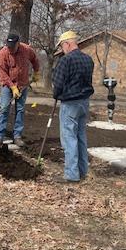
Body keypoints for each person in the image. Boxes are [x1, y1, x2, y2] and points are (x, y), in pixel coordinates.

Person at [52, 30, 94, 183]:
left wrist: (55, 94)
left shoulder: (65, 60)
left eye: (62, 46)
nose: (62, 49)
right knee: (80, 136)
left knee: (69, 138)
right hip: (84, 102)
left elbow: (58, 83)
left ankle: (71, 174)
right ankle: (82, 171)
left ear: (67, 44)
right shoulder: (88, 59)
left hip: (70, 104)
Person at [0, 32, 40, 147]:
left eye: (12, 47)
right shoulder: (3, 53)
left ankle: (17, 136)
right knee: (4, 108)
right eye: (8, 46)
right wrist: (12, 87)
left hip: (23, 85)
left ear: (18, 44)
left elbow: (35, 59)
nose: (10, 49)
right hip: (7, 85)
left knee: (20, 110)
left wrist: (36, 72)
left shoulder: (26, 50)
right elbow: (2, 73)